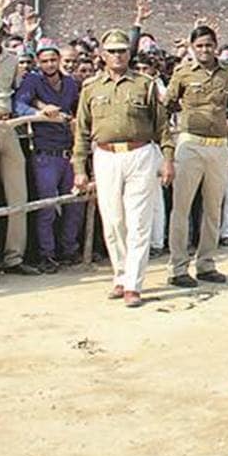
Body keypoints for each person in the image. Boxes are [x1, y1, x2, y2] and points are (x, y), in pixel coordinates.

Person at [72, 28, 174, 308]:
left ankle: (133, 284)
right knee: (113, 221)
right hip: (106, 156)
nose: (117, 56)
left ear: (129, 53)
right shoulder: (91, 87)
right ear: (102, 55)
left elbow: (163, 126)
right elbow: (81, 130)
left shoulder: (146, 84)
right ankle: (120, 275)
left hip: (140, 153)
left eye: (122, 50)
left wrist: (167, 158)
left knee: (139, 221)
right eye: (112, 51)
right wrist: (79, 167)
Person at [161, 25, 228, 287]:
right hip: (190, 143)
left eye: (208, 45)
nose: (204, 50)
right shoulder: (183, 73)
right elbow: (165, 107)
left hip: (219, 144)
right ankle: (177, 268)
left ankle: (206, 263)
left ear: (216, 46)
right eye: (199, 45)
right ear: (191, 47)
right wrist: (166, 143)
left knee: (213, 208)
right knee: (182, 208)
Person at [14, 40, 83, 273]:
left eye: (54, 60)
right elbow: (19, 105)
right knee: (46, 208)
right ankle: (47, 254)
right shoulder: (33, 81)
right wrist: (39, 111)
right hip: (45, 154)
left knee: (73, 206)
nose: (50, 64)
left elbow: (79, 110)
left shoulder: (71, 84)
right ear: (39, 64)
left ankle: (69, 251)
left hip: (70, 152)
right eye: (45, 61)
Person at [0, 0, 33, 277]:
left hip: (7, 125)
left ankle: (14, 257)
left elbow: (19, 93)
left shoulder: (11, 59)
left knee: (17, 194)